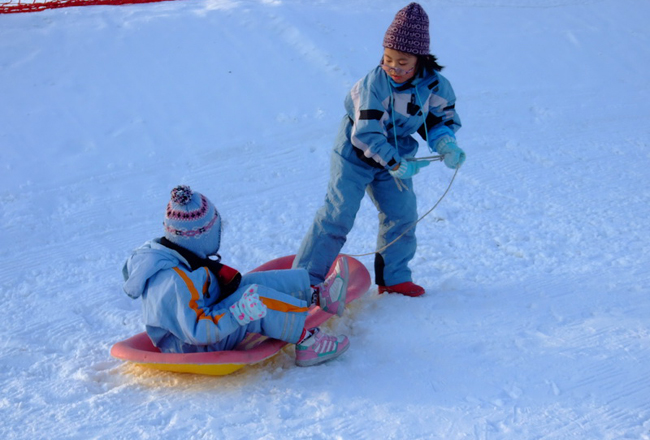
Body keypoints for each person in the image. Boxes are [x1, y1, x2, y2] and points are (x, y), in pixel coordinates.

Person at [293, 3, 465, 298]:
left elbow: (439, 120)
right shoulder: (374, 84)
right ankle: (305, 280)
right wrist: (394, 161)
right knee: (338, 214)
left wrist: (445, 143)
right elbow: (367, 133)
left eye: (402, 61)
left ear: (420, 59)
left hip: (396, 154)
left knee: (402, 214)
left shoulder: (435, 85)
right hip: (355, 154)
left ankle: (394, 278)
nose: (394, 67)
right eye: (388, 58)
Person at [122, 185, 351, 367]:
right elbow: (197, 332)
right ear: (201, 236)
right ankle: (308, 342)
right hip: (191, 346)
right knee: (255, 300)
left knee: (248, 283)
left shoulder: (176, 251)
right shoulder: (174, 281)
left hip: (203, 317)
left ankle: (318, 296)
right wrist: (237, 314)